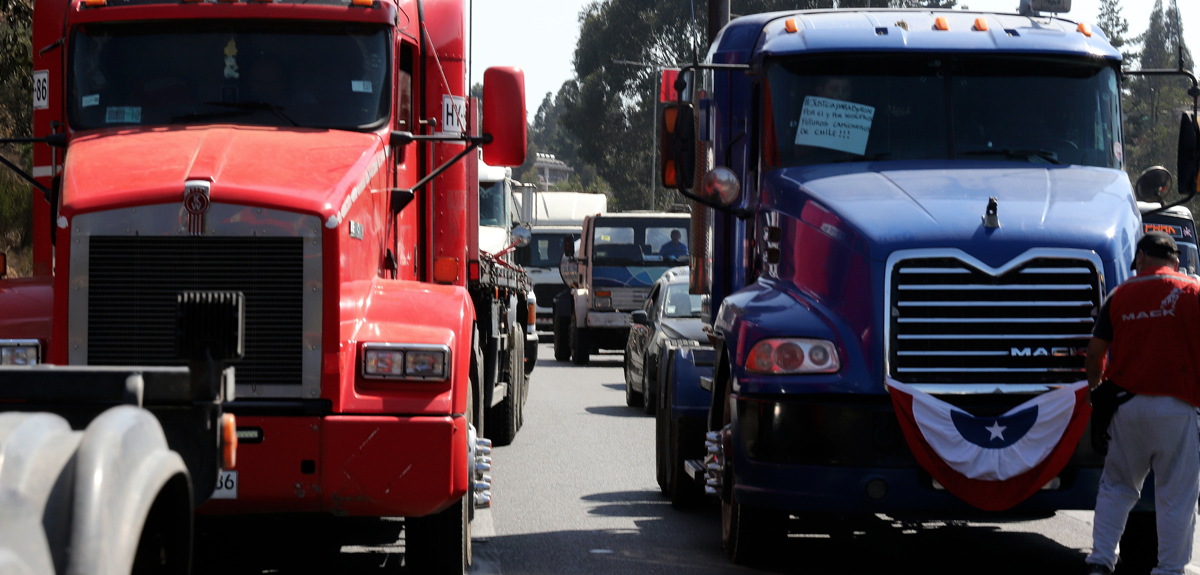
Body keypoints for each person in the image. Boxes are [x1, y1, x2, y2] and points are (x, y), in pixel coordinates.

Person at [1084, 231, 1200, 575]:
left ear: (1140, 260)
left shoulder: (1121, 294)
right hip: (1178, 408)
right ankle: (1169, 569)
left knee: (1117, 487)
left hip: (1127, 408)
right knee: (1176, 496)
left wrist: (1096, 391)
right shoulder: (1193, 292)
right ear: (1175, 262)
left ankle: (1100, 562)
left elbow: (1095, 354)